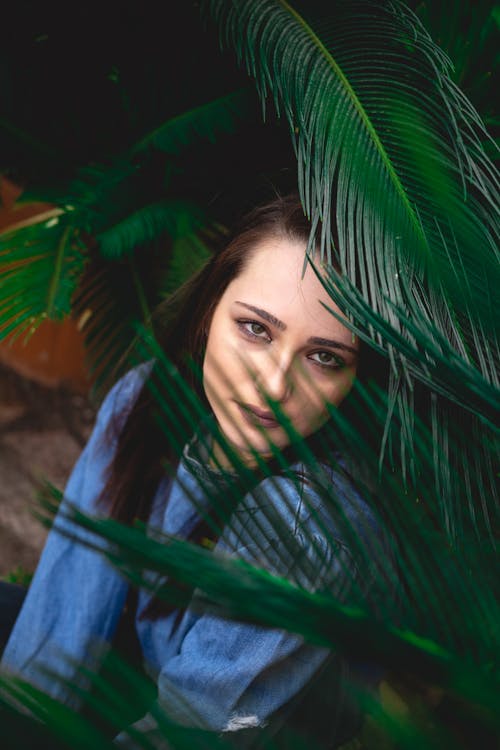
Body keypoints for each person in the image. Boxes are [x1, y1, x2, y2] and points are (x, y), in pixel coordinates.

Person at [0, 195, 397, 748]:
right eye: (257, 328)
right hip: (140, 662)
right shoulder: (144, 398)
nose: (275, 385)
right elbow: (65, 616)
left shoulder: (304, 523)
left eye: (325, 357)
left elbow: (193, 728)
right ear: (210, 306)